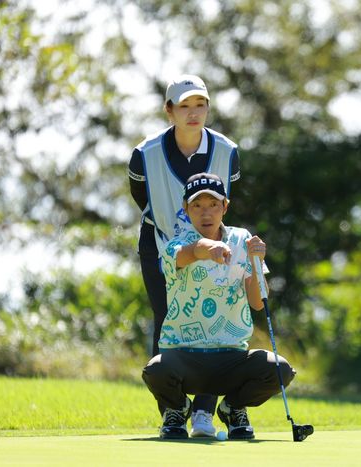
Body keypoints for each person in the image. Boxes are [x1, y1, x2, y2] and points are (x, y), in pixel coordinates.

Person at [141, 173, 296, 440]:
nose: (206, 213)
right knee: (155, 370)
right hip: (184, 355)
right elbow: (191, 252)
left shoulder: (242, 239)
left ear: (225, 206)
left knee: (279, 370)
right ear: (186, 209)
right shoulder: (174, 243)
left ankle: (232, 408)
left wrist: (256, 262)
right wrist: (209, 247)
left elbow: (258, 303)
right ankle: (178, 409)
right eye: (197, 205)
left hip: (231, 357)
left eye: (213, 205)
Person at [128, 74, 240, 437]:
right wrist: (175, 236)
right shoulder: (144, 153)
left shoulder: (227, 150)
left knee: (212, 321)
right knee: (166, 322)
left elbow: (226, 198)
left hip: (213, 245)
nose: (193, 114)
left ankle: (205, 411)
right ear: (169, 110)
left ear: (208, 107)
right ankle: (174, 409)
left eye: (200, 105)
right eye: (184, 106)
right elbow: (142, 198)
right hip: (159, 246)